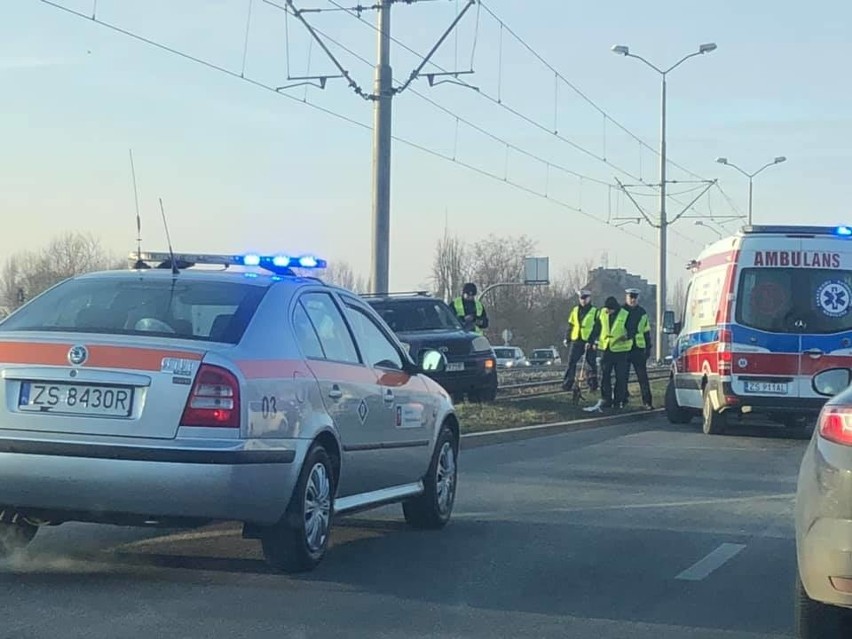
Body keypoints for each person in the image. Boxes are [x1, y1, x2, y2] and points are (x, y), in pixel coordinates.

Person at [597, 296, 633, 409]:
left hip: (621, 351)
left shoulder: (625, 314)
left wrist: (626, 337)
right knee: (604, 375)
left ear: (615, 308)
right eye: (606, 309)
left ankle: (618, 400)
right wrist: (592, 340)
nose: (607, 311)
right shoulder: (602, 313)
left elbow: (632, 330)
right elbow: (597, 328)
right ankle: (606, 399)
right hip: (606, 349)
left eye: (610, 309)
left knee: (620, 377)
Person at [561, 289, 599, 392]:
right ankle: (567, 383)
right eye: (581, 298)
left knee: (591, 364)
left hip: (588, 341)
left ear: (589, 298)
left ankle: (592, 385)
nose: (583, 301)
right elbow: (571, 325)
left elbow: (597, 328)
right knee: (571, 362)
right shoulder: (575, 310)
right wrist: (567, 338)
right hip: (576, 340)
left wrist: (592, 341)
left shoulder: (595, 311)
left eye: (585, 298)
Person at [623, 288, 653, 410]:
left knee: (642, 377)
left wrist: (648, 348)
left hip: (638, 349)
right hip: (624, 348)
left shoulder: (642, 312)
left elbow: (646, 332)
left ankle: (647, 402)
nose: (633, 300)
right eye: (631, 297)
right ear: (626, 297)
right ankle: (622, 400)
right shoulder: (621, 311)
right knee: (622, 377)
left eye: (635, 297)